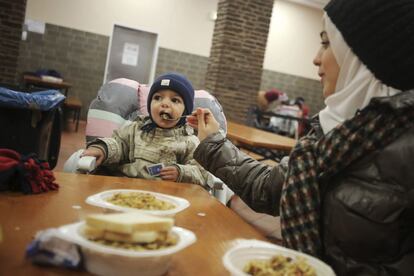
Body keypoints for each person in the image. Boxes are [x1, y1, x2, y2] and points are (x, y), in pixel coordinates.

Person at [187, 0, 414, 275]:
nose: (316, 58)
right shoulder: (333, 132)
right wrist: (213, 142)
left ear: (366, 57)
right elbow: (267, 188)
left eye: (327, 43)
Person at [82, 72, 211, 188]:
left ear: (185, 111)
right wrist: (103, 149)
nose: (164, 103)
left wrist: (181, 172)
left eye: (175, 100)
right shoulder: (136, 128)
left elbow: (202, 174)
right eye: (157, 98)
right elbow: (119, 145)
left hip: (165, 197)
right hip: (126, 188)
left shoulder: (189, 141)